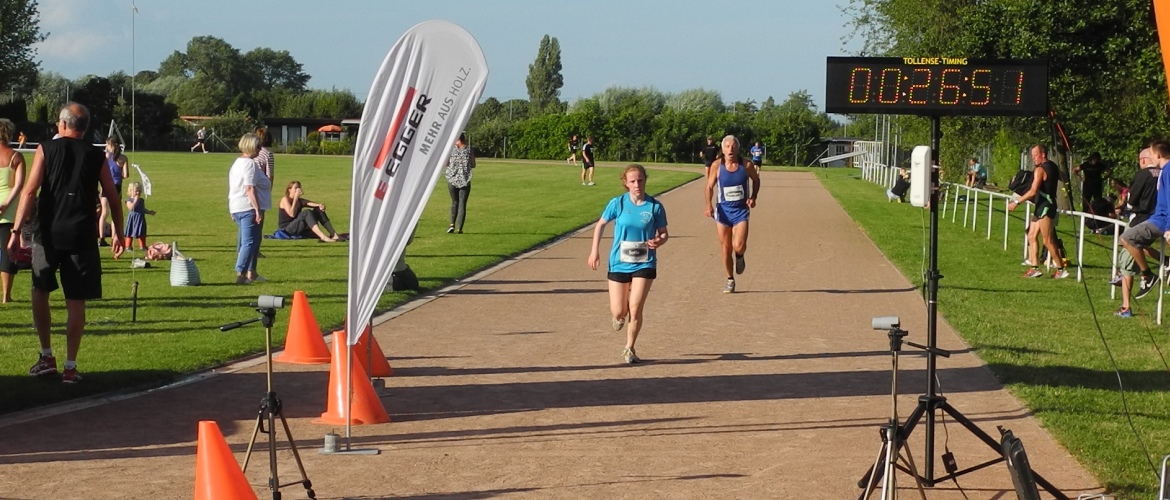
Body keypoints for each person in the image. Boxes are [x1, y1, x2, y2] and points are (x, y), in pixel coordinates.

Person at [9, 102, 125, 383]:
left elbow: (29, 191)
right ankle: (70, 366)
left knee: (40, 290)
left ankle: (47, 355)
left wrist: (15, 231)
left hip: (48, 233)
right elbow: (111, 196)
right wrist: (119, 232)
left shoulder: (46, 148)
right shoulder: (96, 155)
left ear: (62, 125)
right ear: (85, 128)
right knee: (76, 301)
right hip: (82, 234)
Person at [587, 164, 668, 364]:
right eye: (632, 181)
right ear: (626, 183)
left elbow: (664, 233)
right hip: (619, 262)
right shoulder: (618, 204)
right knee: (619, 310)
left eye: (640, 180)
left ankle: (629, 348)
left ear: (645, 180)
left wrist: (659, 241)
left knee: (636, 306)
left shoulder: (655, 207)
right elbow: (600, 225)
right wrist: (594, 251)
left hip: (645, 262)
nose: (637, 184)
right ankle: (618, 317)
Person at [704, 135, 761, 293]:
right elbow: (709, 187)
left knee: (739, 246)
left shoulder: (746, 165)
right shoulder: (717, 165)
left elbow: (756, 180)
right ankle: (730, 279)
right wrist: (708, 205)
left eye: (733, 146)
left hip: (741, 211)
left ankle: (740, 256)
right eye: (727, 146)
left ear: (738, 149)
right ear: (722, 149)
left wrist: (753, 197)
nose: (730, 149)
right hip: (723, 211)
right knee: (725, 248)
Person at [1112, 148, 1161, 317]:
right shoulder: (1164, 173)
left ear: (1144, 160)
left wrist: (1128, 205)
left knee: (1126, 258)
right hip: (1158, 220)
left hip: (1140, 219)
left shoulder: (1143, 174)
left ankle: (1126, 306)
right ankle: (1166, 261)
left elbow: (1132, 200)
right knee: (1139, 248)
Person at [1119, 141, 1170, 300]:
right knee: (1133, 241)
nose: (1150, 158)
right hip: (1157, 217)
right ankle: (1163, 264)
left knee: (1127, 238)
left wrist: (1168, 227)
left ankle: (1148, 275)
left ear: (1158, 155)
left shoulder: (1168, 170)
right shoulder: (1163, 171)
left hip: (1161, 220)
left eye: (1151, 154)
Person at [1009, 144, 1069, 279]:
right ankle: (1034, 268)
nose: (1033, 158)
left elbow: (1033, 191)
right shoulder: (1053, 166)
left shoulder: (1040, 170)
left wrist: (1016, 202)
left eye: (1035, 156)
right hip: (1042, 205)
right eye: (1032, 156)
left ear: (1043, 154)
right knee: (1031, 235)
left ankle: (1061, 269)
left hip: (1046, 207)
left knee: (1047, 241)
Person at [227, 133, 271, 284]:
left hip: (237, 206)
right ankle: (241, 273)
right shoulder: (249, 164)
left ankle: (252, 273)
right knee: (249, 242)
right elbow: (249, 188)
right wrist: (257, 209)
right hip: (248, 207)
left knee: (254, 240)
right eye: (258, 146)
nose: (260, 149)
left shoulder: (237, 162)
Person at [0, 119, 27, 303]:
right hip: (9, 210)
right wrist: (6, 204)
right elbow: (19, 186)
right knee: (8, 252)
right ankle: (6, 295)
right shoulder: (16, 156)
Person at [445, 133, 475, 234]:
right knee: (462, 204)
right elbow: (473, 164)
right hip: (465, 179)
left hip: (452, 178)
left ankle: (451, 224)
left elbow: (446, 163)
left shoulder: (451, 149)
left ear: (458, 140)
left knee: (454, 202)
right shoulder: (469, 150)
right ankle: (459, 228)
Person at [123, 182, 155, 251]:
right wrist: (135, 200)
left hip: (140, 219)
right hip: (133, 219)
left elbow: (142, 209)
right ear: (130, 191)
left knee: (142, 232)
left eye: (139, 191)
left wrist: (149, 212)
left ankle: (142, 246)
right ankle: (128, 246)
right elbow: (131, 208)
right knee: (130, 232)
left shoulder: (141, 200)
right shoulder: (129, 200)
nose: (138, 193)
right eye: (136, 191)